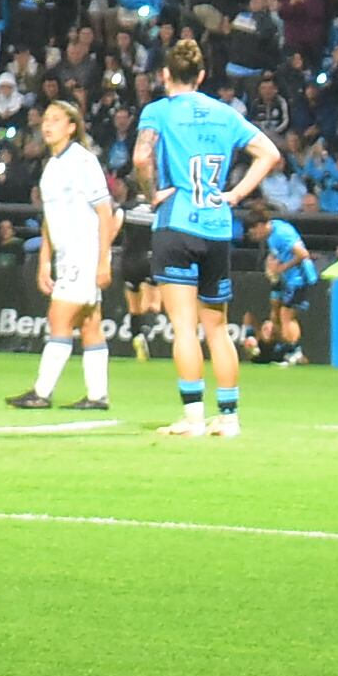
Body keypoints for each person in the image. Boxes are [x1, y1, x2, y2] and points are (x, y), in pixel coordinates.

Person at [133, 36, 280, 438]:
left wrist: (151, 193)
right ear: (200, 76)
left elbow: (142, 157)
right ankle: (228, 417)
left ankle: (193, 416)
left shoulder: (158, 111)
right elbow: (269, 154)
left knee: (184, 327)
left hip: (177, 222)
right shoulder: (224, 114)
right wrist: (236, 194)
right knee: (217, 327)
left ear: (166, 74)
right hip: (216, 226)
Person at [10, 99, 122, 411]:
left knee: (59, 318)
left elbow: (105, 212)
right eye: (46, 119)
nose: (48, 125)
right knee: (89, 323)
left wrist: (104, 259)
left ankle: (42, 392)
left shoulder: (83, 162)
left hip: (83, 252)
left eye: (56, 119)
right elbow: (50, 218)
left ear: (72, 127)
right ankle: (98, 395)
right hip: (65, 254)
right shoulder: (52, 166)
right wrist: (45, 260)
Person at [257, 214, 319, 365]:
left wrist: (282, 267)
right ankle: (292, 351)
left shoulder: (281, 233)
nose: (254, 234)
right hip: (291, 279)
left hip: (299, 278)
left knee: (286, 315)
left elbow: (303, 254)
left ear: (260, 225)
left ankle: (295, 352)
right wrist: (272, 268)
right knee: (282, 314)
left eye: (254, 230)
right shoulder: (275, 230)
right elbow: (277, 255)